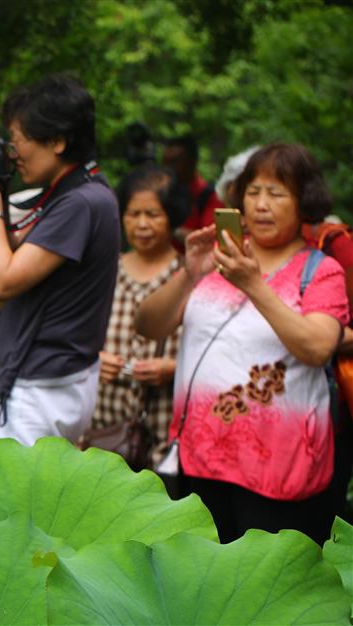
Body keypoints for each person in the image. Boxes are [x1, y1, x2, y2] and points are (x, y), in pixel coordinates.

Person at [135, 143, 348, 543]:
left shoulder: (320, 271)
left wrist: (253, 284)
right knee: (208, 584)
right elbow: (148, 325)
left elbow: (317, 347)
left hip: (279, 470)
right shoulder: (217, 260)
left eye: (277, 193)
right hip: (200, 459)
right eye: (253, 192)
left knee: (268, 590)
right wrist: (188, 274)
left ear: (304, 202)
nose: (262, 205)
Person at [0, 74, 120, 446]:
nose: (14, 154)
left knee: (18, 502)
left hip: (39, 385)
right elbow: (21, 256)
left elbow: (4, 281)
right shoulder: (85, 192)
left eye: (17, 142)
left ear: (57, 141)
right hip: (60, 378)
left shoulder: (79, 202)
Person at [92, 165, 189, 465]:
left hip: (165, 425)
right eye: (134, 214)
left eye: (153, 214)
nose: (142, 225)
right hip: (105, 423)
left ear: (172, 217)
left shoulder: (189, 273)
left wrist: (173, 368)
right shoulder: (104, 269)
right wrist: (94, 360)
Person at [162, 135, 225, 238]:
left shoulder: (209, 197)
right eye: (165, 162)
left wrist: (171, 230)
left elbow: (210, 238)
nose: (168, 168)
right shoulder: (161, 193)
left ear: (192, 161)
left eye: (174, 162)